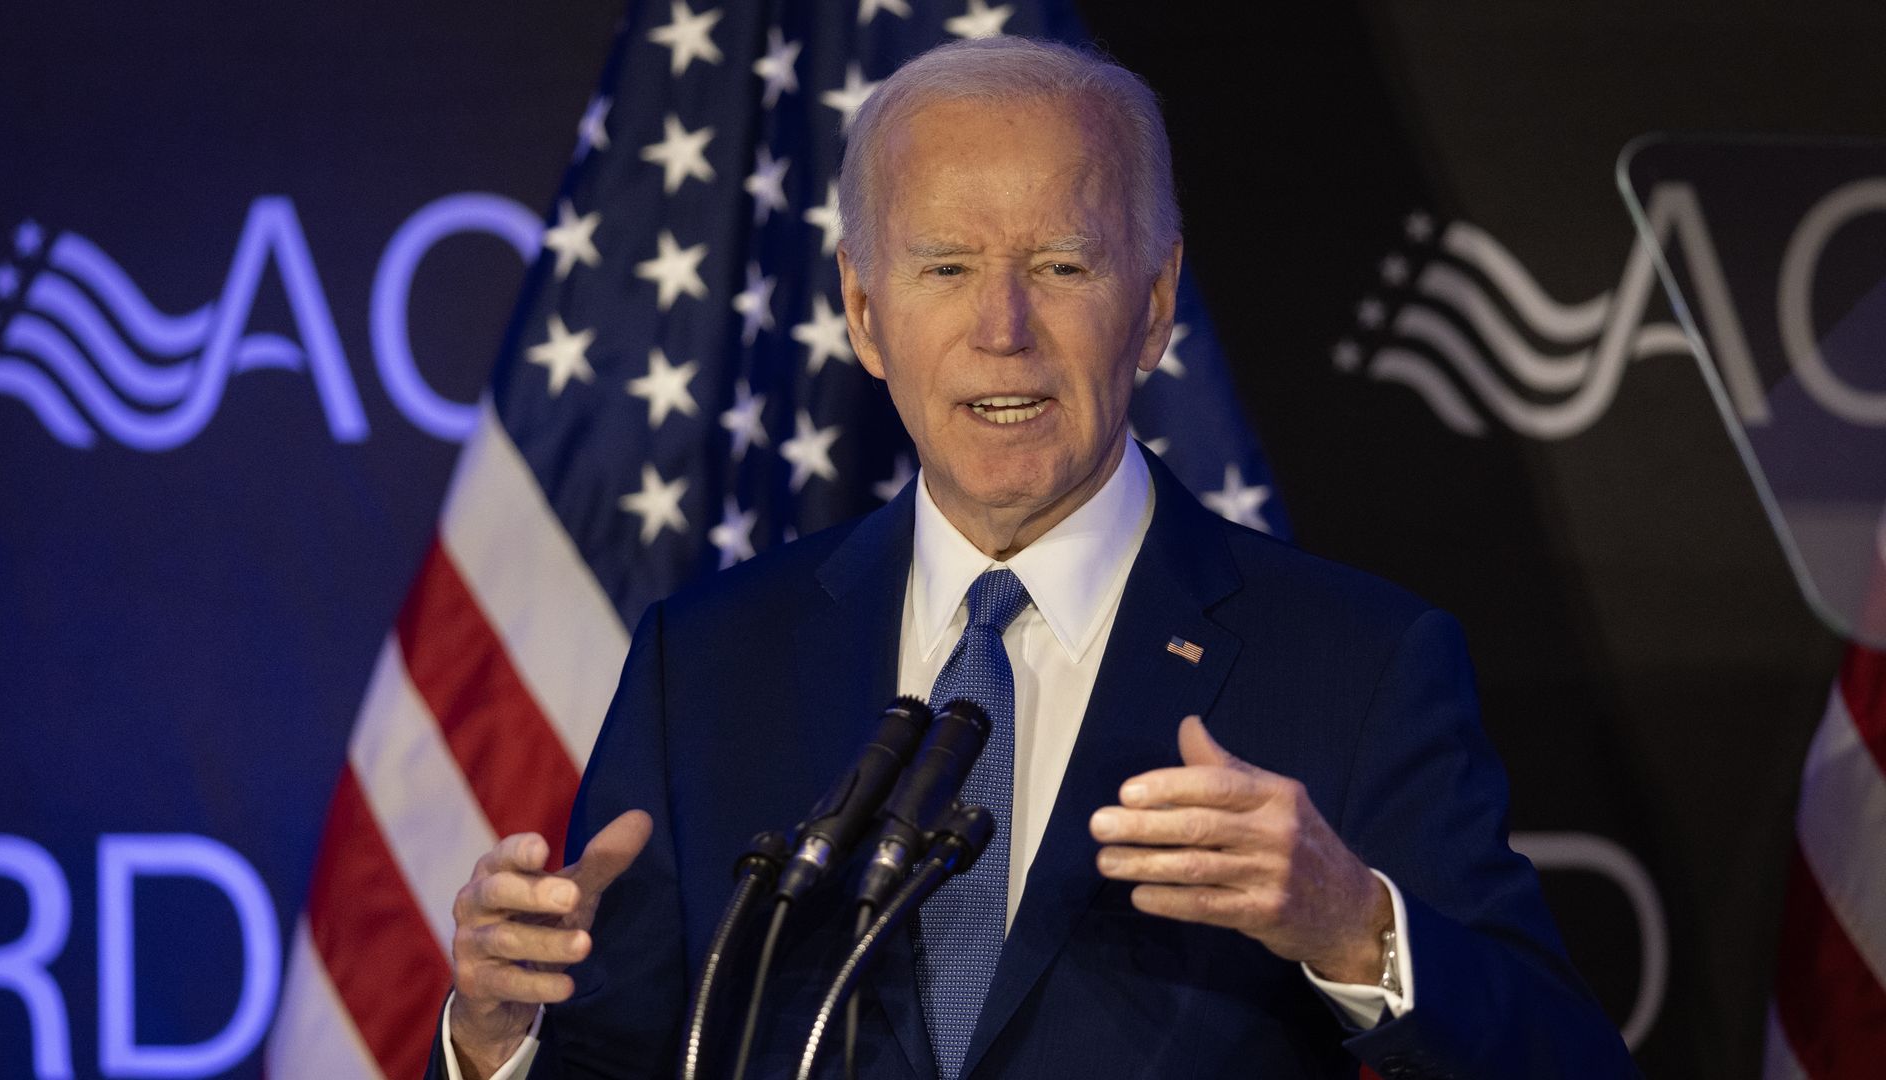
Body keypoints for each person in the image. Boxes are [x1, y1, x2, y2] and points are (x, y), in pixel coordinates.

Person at [434, 36, 1636, 1080]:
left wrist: (1354, 929)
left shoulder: (1357, 664)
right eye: (945, 267)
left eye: (1062, 267)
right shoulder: (704, 662)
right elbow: (620, 1059)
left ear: (1155, 304)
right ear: (863, 312)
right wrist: (497, 1036)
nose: (1001, 330)